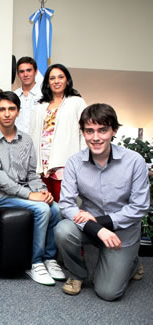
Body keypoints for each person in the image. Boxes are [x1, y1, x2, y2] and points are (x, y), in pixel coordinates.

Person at [55, 103, 150, 300]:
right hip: (89, 227)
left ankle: (131, 263)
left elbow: (139, 207)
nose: (96, 137)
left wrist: (101, 222)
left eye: (102, 130)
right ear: (83, 132)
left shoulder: (134, 161)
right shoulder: (74, 162)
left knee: (107, 293)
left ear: (114, 130)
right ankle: (78, 274)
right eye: (89, 131)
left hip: (122, 231)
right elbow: (66, 204)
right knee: (63, 230)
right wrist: (96, 228)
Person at [0, 91, 65, 286]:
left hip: (24, 191)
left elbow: (32, 174)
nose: (7, 114)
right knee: (42, 209)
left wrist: (42, 191)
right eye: (2, 109)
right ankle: (34, 262)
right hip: (0, 196)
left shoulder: (26, 140)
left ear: (18, 112)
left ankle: (49, 258)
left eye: (11, 109)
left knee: (56, 208)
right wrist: (30, 195)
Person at [29, 63, 87, 202]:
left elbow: (85, 133)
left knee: (65, 206)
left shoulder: (76, 102)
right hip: (42, 167)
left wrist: (82, 161)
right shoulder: (40, 106)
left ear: (67, 80)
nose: (56, 81)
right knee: (46, 207)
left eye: (60, 77)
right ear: (47, 83)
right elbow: (32, 133)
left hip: (65, 165)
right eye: (52, 78)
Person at [14, 57, 42, 134]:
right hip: (18, 143)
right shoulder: (14, 96)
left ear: (35, 72)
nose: (25, 74)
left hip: (37, 143)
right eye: (22, 71)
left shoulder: (44, 95)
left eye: (29, 70)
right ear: (18, 74)